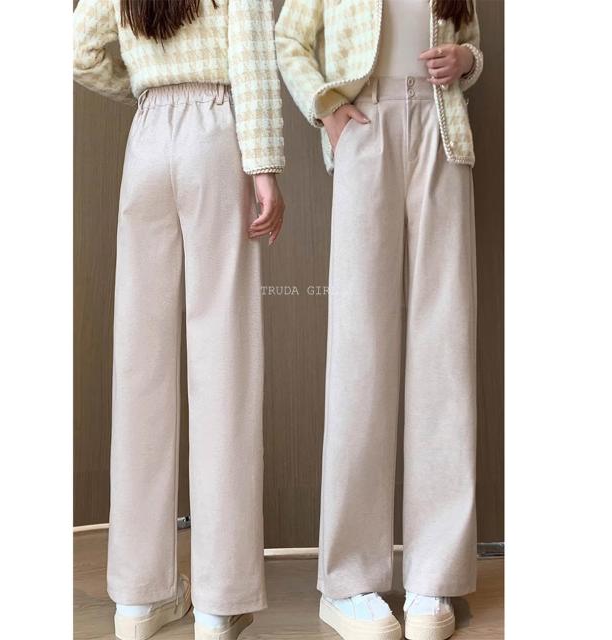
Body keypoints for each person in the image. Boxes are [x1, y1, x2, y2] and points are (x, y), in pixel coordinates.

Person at [73, 1, 285, 639]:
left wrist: (145, 85)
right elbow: (253, 60)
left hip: (146, 137)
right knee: (224, 360)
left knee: (140, 366)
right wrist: (265, 167)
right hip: (215, 133)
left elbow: (81, 52)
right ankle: (219, 601)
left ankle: (139, 600)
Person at [275, 1, 483, 639]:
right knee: (360, 350)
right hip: (365, 123)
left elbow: (469, 40)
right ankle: (348, 581)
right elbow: (289, 39)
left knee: (445, 347)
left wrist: (466, 60)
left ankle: (434, 574)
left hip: (442, 129)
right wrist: (327, 108)